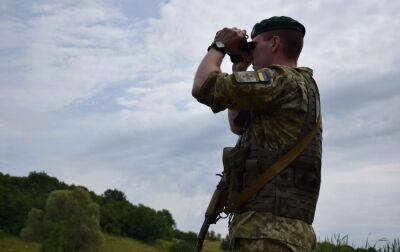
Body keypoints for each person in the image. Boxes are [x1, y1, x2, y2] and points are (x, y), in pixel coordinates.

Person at [192, 16, 322, 252]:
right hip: (286, 234)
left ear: (274, 44)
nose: (251, 51)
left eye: (255, 44)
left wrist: (219, 45)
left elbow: (203, 87)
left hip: (267, 235)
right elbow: (238, 125)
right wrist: (239, 69)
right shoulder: (300, 85)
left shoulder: (280, 80)